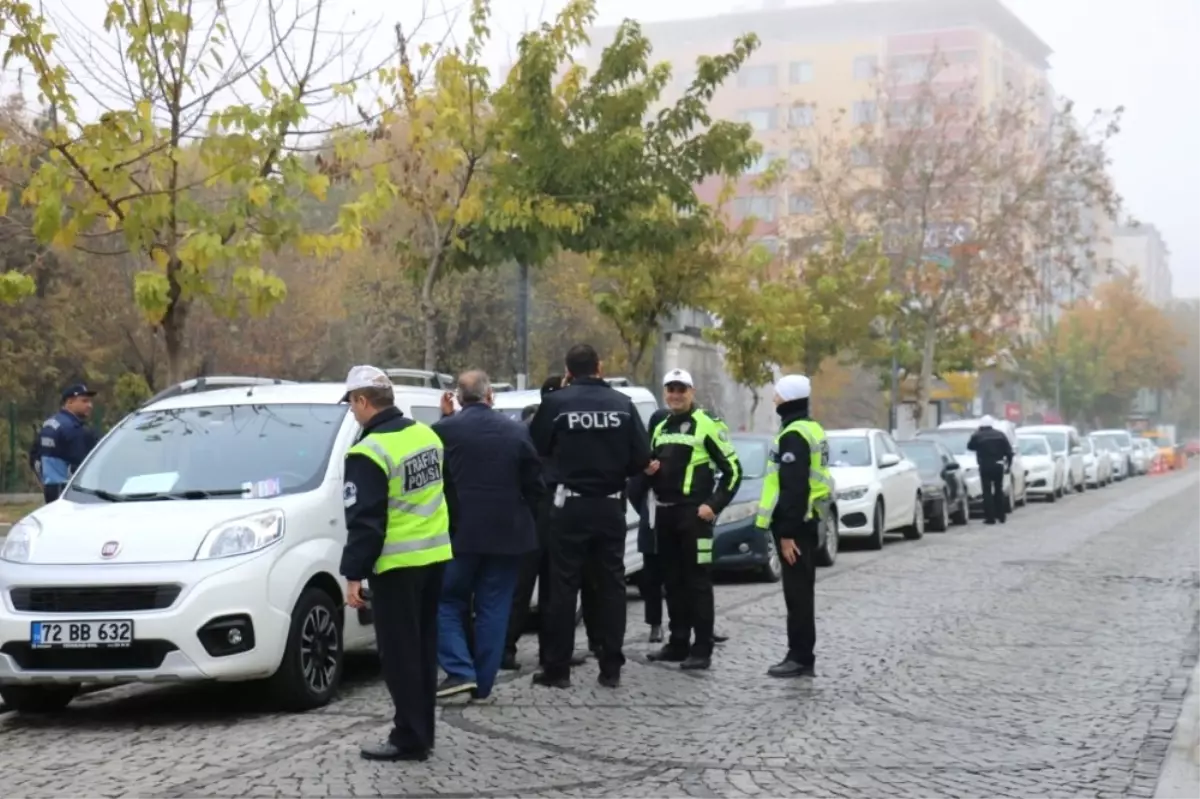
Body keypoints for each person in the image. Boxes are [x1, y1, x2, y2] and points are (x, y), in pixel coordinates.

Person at [339, 365, 453, 762]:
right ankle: (423, 732)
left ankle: (409, 736)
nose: (352, 413)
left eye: (352, 404)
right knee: (422, 651)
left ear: (363, 401)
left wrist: (354, 573)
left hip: (396, 567)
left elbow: (366, 521)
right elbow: (445, 492)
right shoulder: (427, 435)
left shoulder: (368, 451)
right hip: (434, 558)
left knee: (400, 655)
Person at [528, 344, 651, 688]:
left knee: (562, 588)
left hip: (568, 506)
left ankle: (558, 669)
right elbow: (641, 457)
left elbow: (536, 449)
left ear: (568, 371)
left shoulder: (555, 404)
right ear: (600, 366)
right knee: (611, 586)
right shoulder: (622, 405)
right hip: (611, 505)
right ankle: (610, 667)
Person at [432, 370, 544, 700]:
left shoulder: (444, 430)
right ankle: (482, 683)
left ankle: (460, 669)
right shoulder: (516, 432)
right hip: (508, 533)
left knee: (444, 600)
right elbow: (535, 487)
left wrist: (444, 417)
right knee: (494, 607)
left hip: (458, 533)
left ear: (457, 397)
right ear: (490, 394)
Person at [642, 368, 742, 670]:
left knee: (697, 582)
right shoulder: (660, 425)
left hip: (694, 517)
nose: (675, 395)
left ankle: (702, 648)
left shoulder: (706, 425)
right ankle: (678, 643)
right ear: (665, 393)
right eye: (671, 390)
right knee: (672, 582)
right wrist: (648, 469)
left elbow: (733, 471)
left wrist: (713, 505)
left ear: (692, 392)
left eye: (681, 390)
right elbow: (649, 461)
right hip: (665, 513)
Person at [503, 375, 599, 670]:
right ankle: (551, 652)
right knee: (553, 589)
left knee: (524, 588)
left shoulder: (529, 426)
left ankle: (507, 649)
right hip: (550, 512)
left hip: (531, 516)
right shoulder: (558, 427)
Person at [755, 374, 832, 679]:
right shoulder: (810, 428)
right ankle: (801, 655)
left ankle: (799, 657)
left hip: (796, 526)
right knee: (802, 593)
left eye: (777, 395)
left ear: (788, 398)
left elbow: (793, 487)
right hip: (807, 520)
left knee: (797, 595)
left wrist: (786, 533)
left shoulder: (794, 435)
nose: (774, 399)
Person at [628, 405, 669, 643]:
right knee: (652, 581)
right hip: (653, 528)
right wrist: (647, 474)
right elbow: (633, 490)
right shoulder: (645, 455)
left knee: (684, 578)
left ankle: (691, 622)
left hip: (679, 526)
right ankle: (655, 625)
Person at [32, 383, 99, 503]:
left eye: (90, 401)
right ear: (70, 402)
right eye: (84, 401)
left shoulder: (49, 424)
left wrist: (44, 481)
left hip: (51, 490)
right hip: (70, 492)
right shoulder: (75, 429)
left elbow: (35, 458)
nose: (90, 405)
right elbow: (85, 464)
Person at [967, 415, 1013, 525]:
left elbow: (970, 446)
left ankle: (990, 518)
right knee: (998, 490)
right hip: (998, 464)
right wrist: (1008, 465)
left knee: (987, 492)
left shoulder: (978, 435)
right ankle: (1001, 516)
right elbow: (1009, 452)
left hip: (985, 465)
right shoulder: (1000, 435)